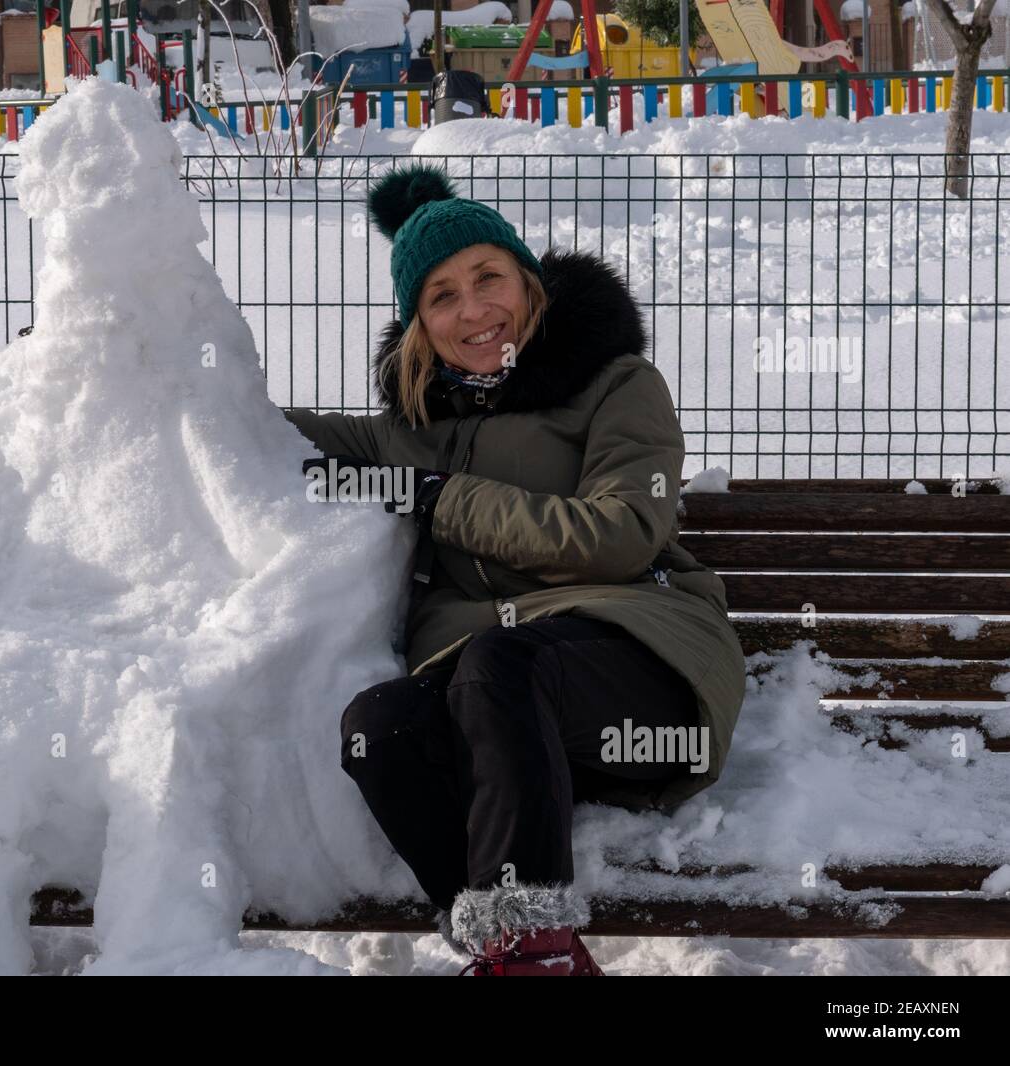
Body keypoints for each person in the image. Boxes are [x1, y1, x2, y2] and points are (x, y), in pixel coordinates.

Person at [285, 163, 747, 977]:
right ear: (419, 326)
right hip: (507, 727)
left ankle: (529, 952)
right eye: (441, 297)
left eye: (487, 278)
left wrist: (443, 498)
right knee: (377, 731)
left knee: (501, 660)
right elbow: (263, 431)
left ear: (528, 284)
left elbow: (621, 536)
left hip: (641, 682)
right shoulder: (411, 431)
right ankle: (529, 957)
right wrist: (128, 360)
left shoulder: (616, 385)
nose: (473, 311)